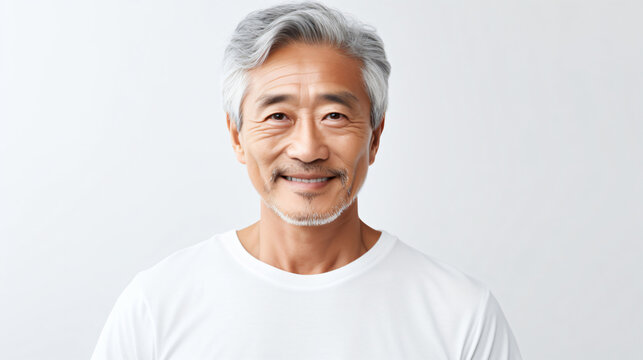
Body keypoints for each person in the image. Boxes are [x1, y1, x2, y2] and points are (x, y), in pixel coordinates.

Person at [91, 2, 523, 359]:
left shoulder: (460, 314)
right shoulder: (158, 305)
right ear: (237, 136)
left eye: (334, 115)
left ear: (374, 137)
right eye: (278, 116)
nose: (307, 149)